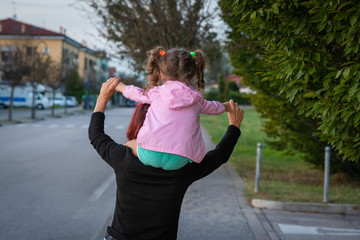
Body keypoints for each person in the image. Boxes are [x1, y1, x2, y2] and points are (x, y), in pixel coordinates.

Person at [88, 78, 244, 240]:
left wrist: (102, 99)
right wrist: (234, 126)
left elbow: (96, 135)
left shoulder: (123, 158)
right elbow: (220, 155)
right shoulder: (185, 167)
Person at [114, 46, 230, 170]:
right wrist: (226, 106)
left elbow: (136, 94)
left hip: (149, 153)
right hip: (180, 159)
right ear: (191, 75)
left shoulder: (157, 93)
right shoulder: (197, 99)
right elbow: (214, 108)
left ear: (161, 74)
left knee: (129, 146)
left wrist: (119, 86)